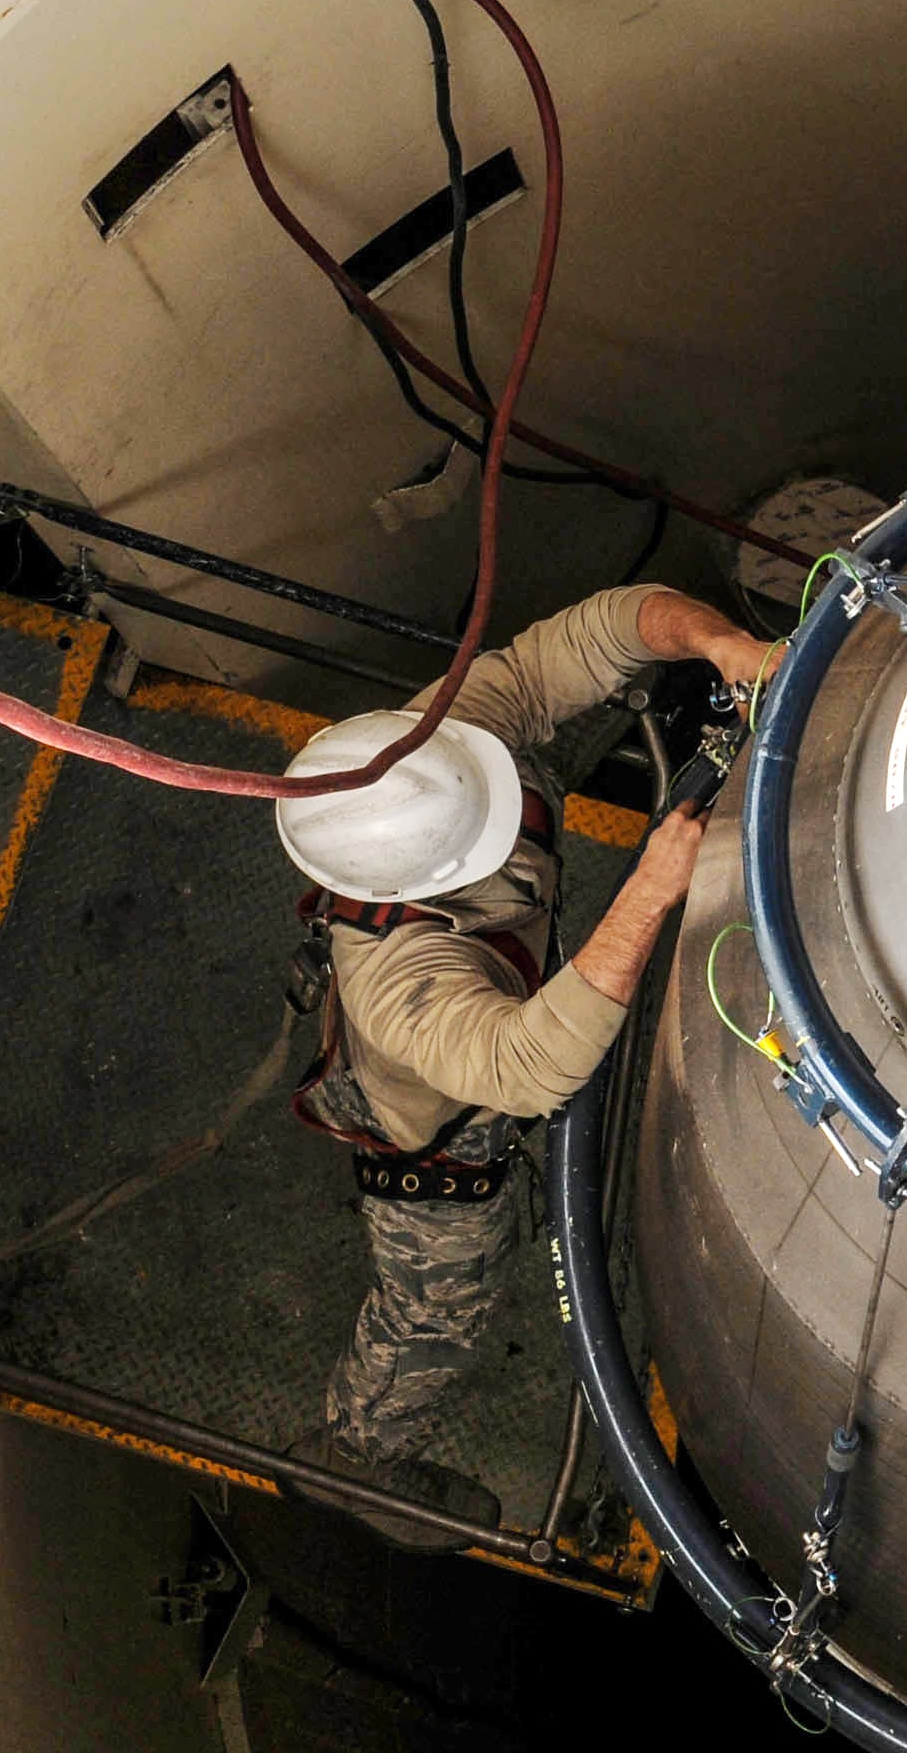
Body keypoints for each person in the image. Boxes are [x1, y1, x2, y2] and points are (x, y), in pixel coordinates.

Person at [270, 582, 771, 1539]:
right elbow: (531, 1067)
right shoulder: (402, 982)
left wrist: (723, 646)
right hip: (437, 1157)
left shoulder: (434, 744)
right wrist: (652, 890)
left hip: (482, 1071)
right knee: (432, 1319)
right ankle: (354, 1457)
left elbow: (606, 627)